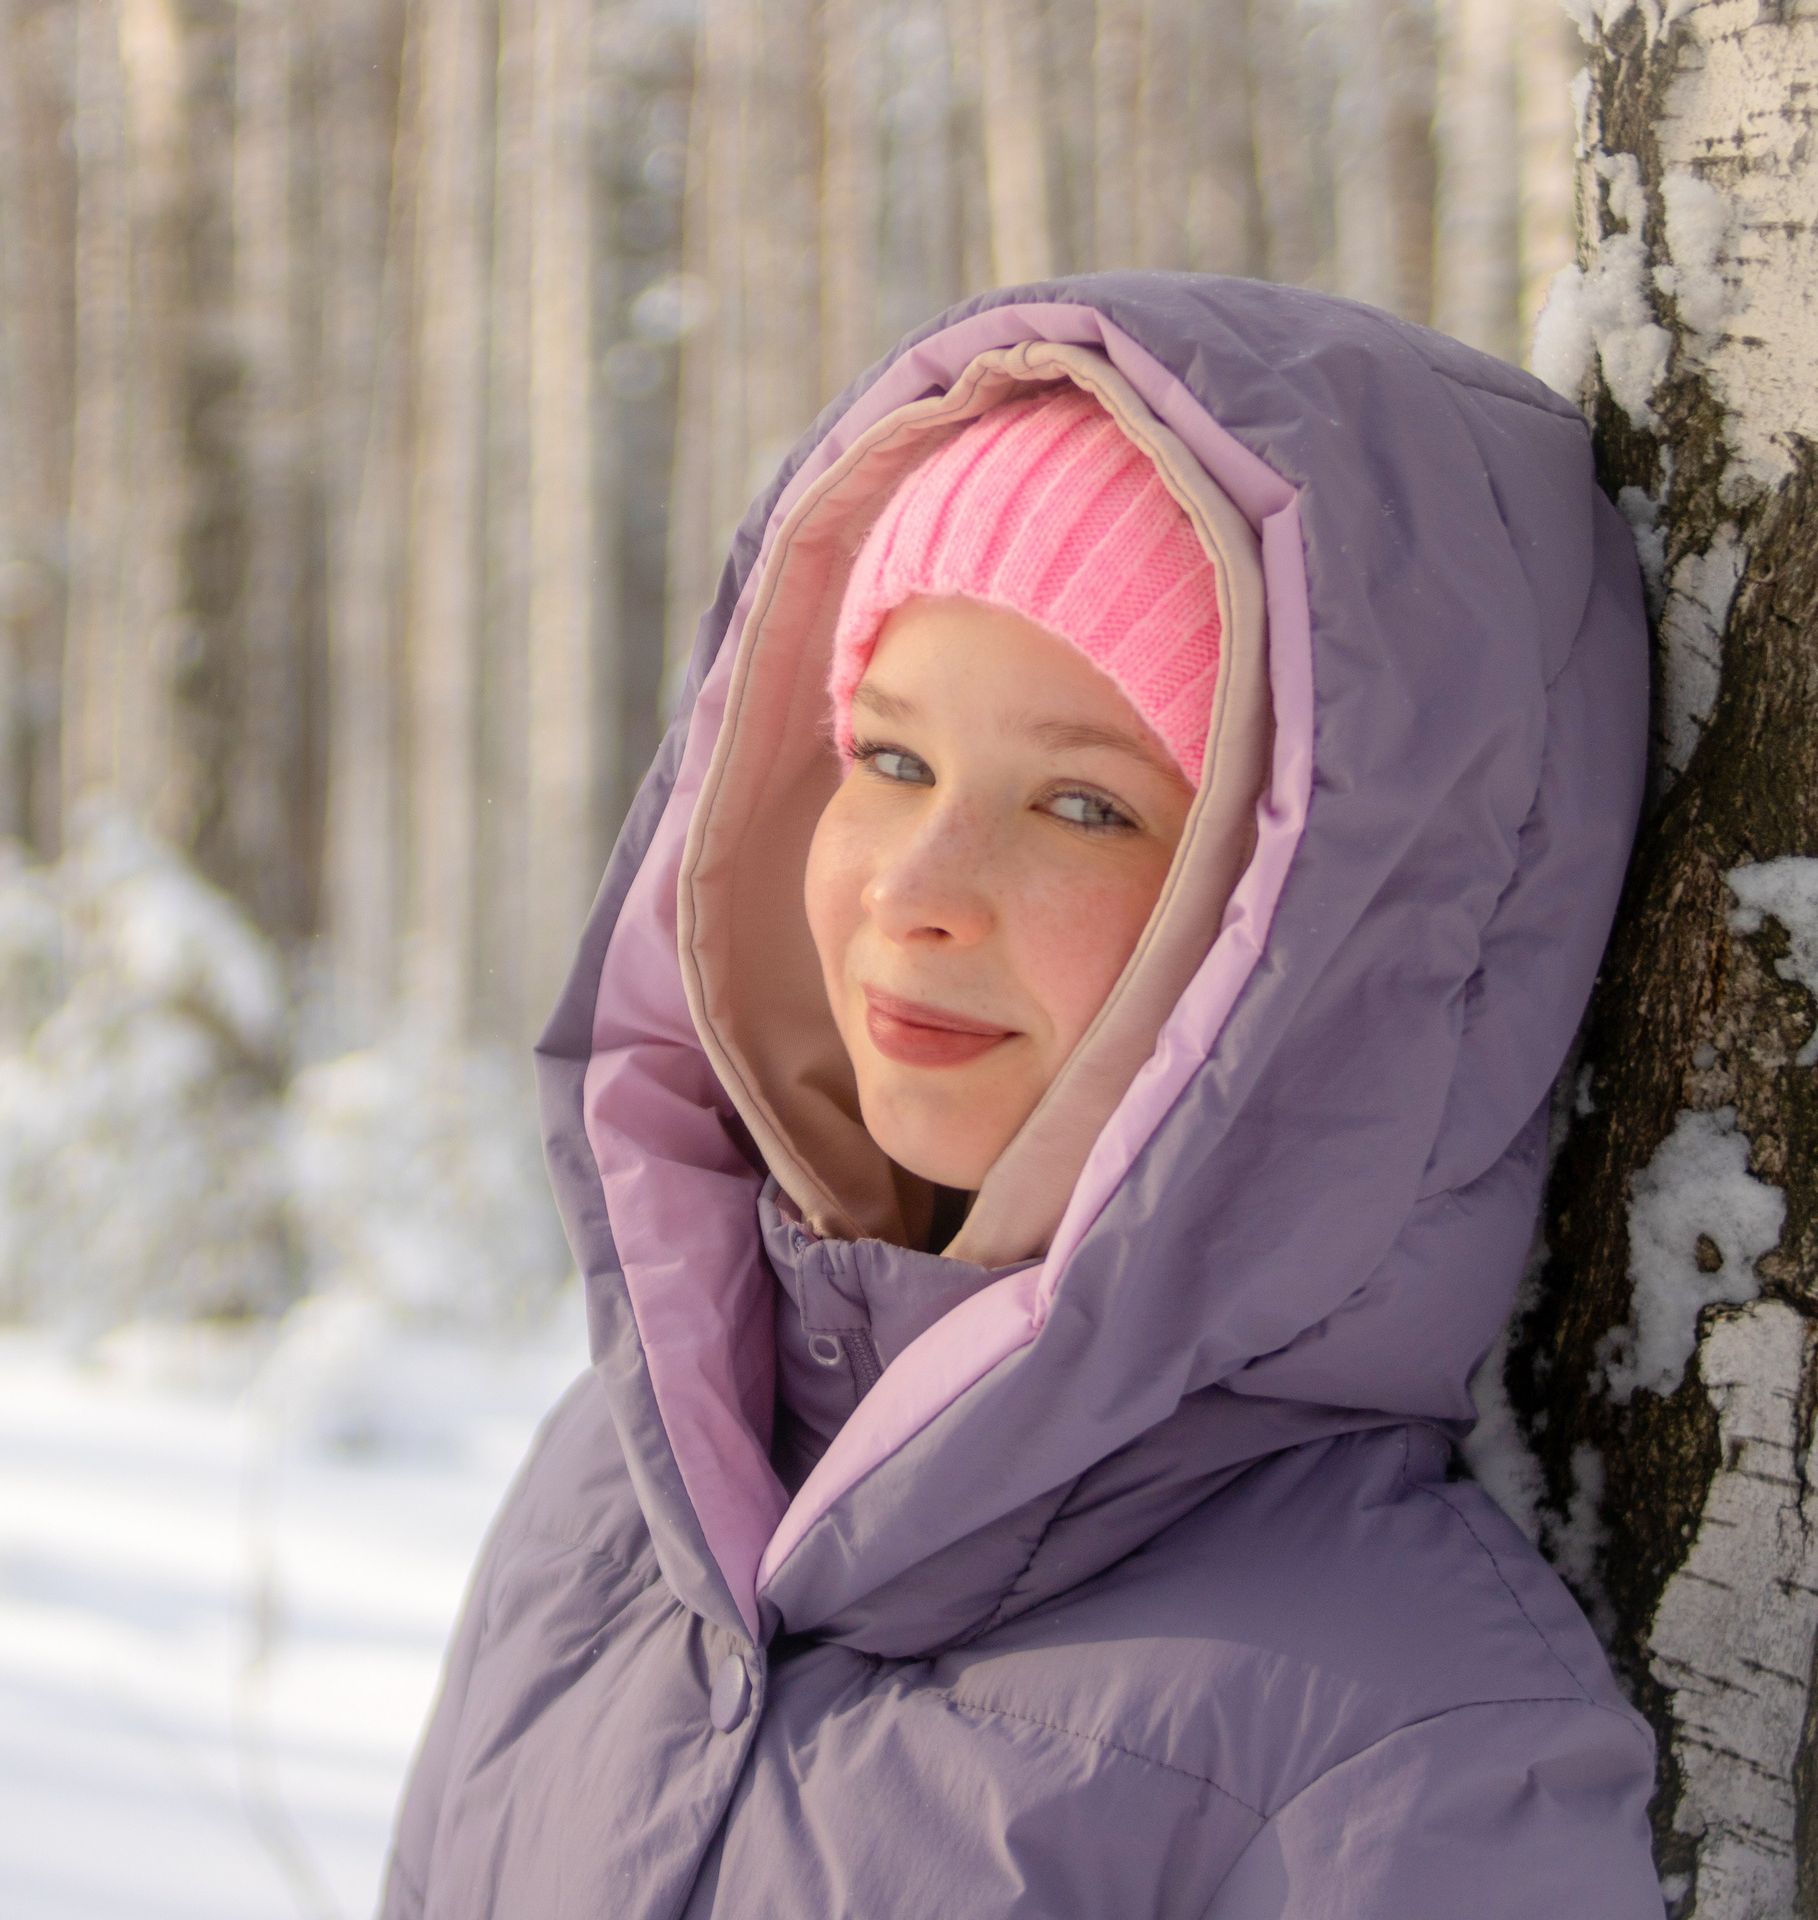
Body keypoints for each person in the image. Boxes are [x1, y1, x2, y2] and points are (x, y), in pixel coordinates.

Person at [380, 276, 1665, 1917]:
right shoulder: (620, 1490)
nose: (918, 886)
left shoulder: (1399, 1753)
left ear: (1322, 948)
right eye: (893, 761)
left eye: (1083, 805)